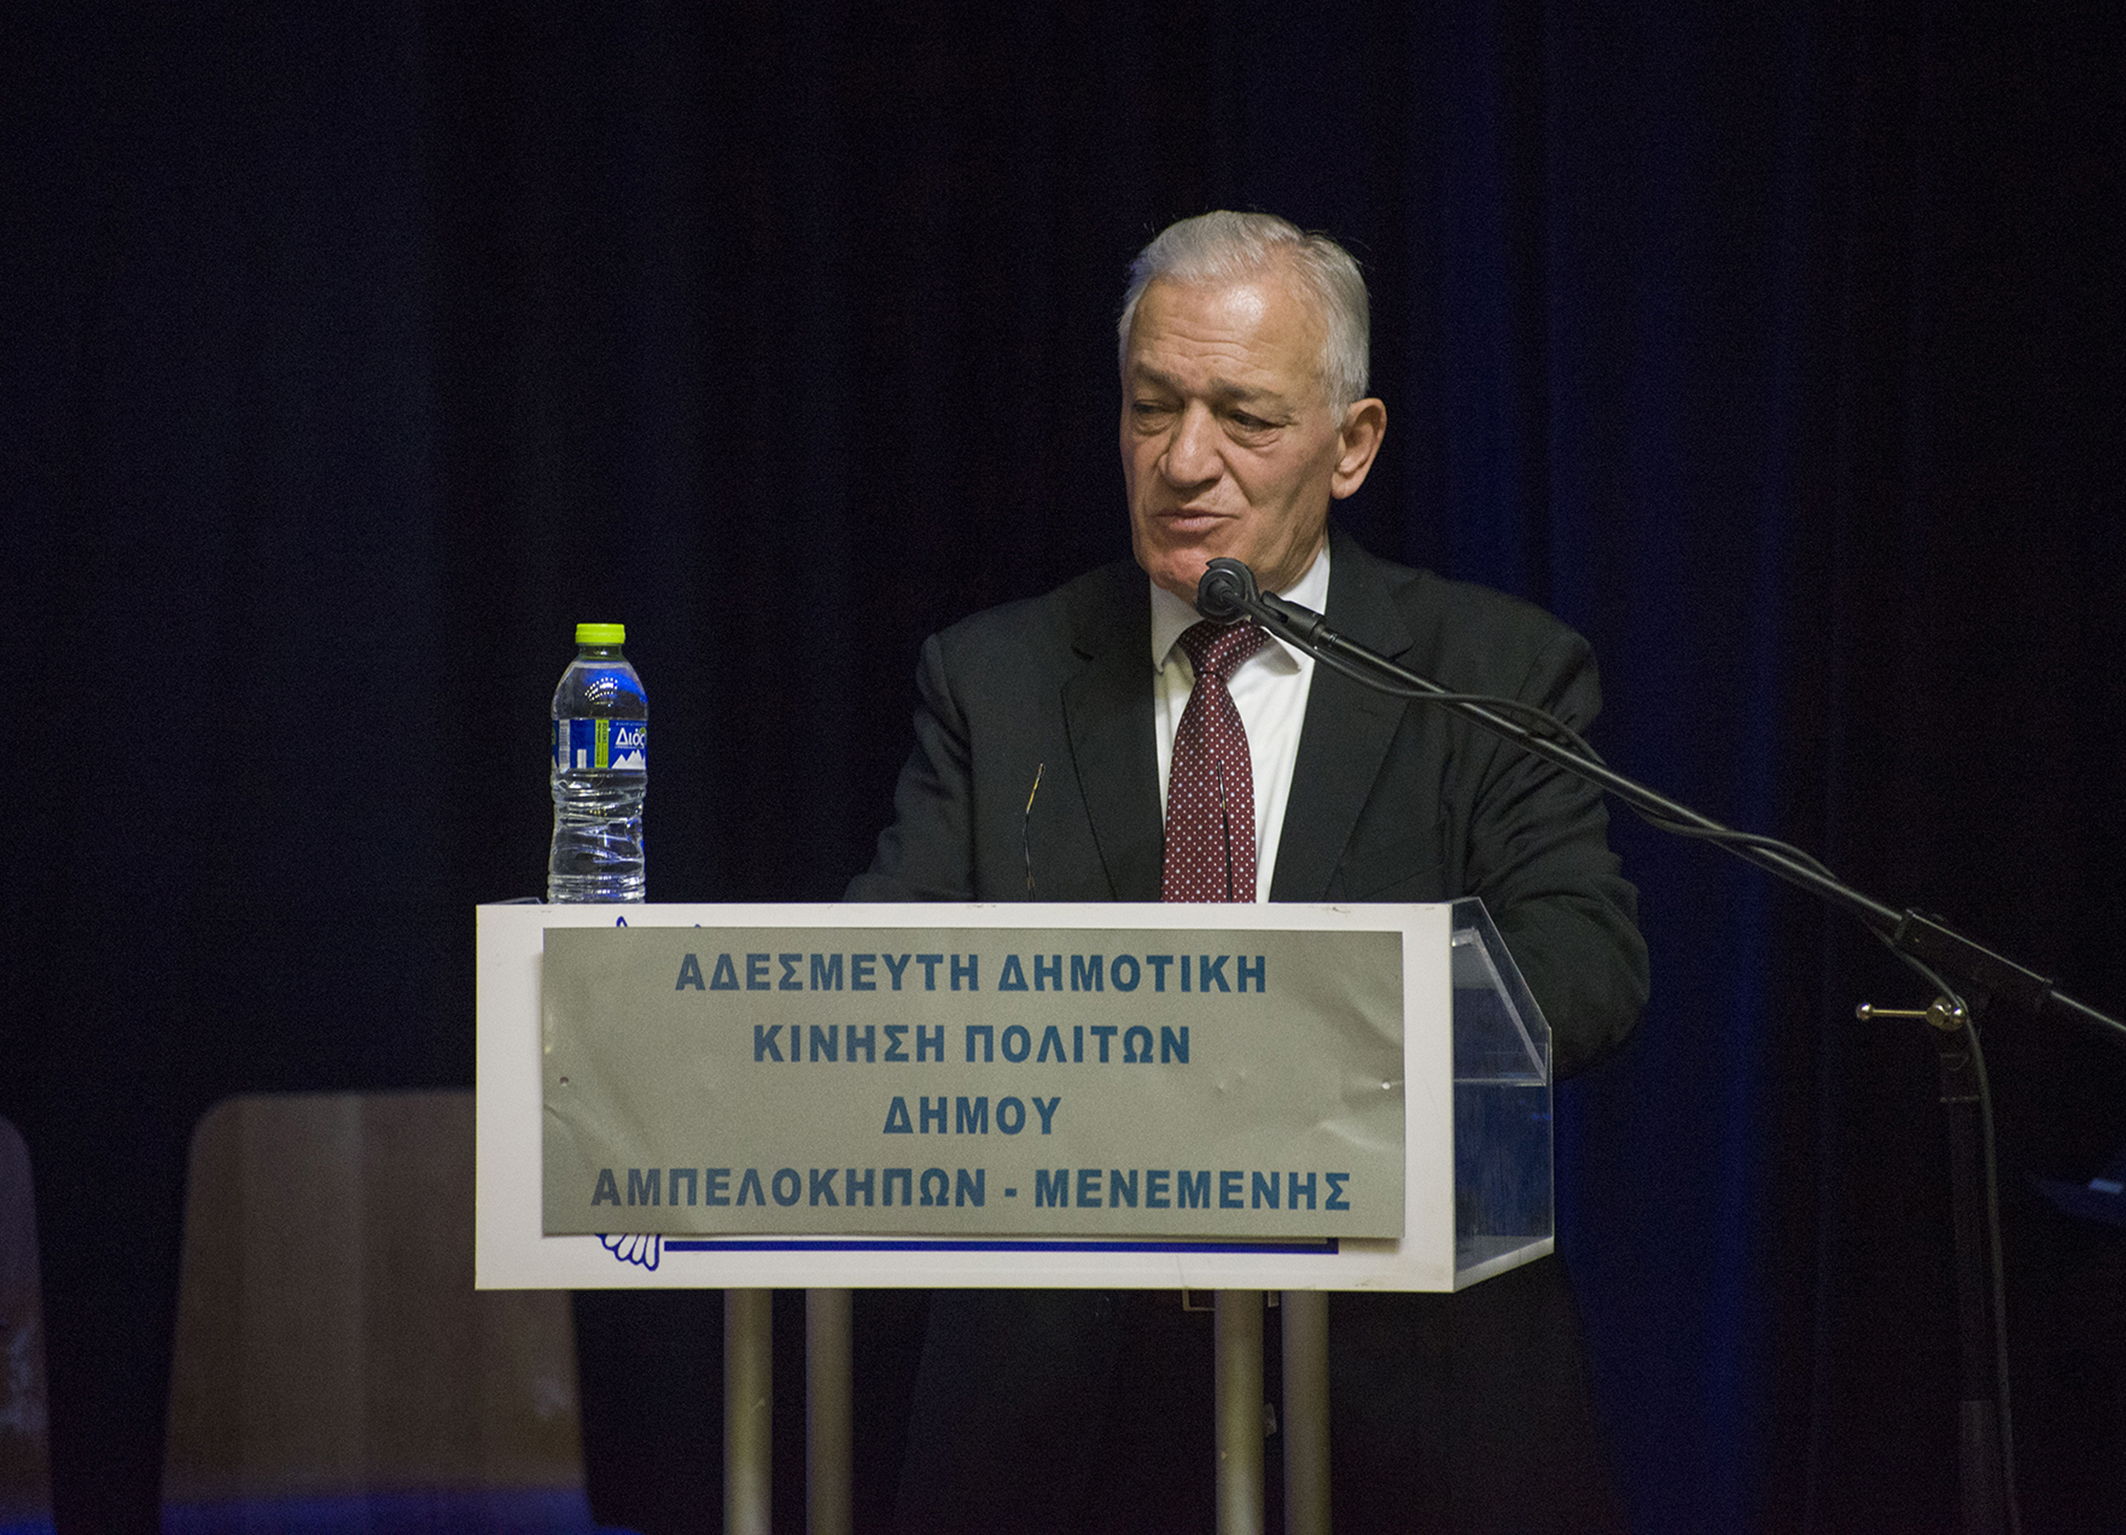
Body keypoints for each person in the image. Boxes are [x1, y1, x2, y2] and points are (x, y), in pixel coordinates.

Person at [849, 211, 1649, 1534]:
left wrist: (1291, 1039)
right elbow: (885, 970)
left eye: (1244, 417)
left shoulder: (1491, 672)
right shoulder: (996, 680)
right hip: (1067, 1413)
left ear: (1352, 444)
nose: (1183, 460)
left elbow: (1584, 963)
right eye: (1151, 406)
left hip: (1410, 1393)